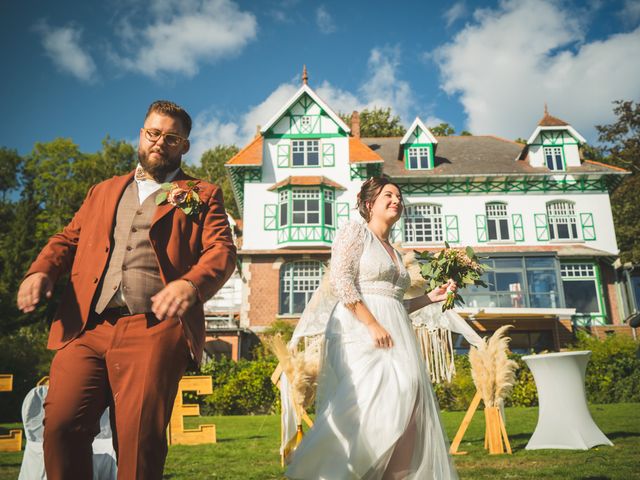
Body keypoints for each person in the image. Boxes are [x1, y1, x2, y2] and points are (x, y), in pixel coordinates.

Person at [16, 100, 237, 480]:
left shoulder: (202, 193)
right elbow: (67, 240)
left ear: (184, 146)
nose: (159, 142)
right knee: (61, 426)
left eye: (171, 138)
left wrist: (191, 283)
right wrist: (41, 272)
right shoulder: (102, 191)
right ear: (141, 135)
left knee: (138, 444)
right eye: (153, 133)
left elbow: (221, 250)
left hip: (154, 329)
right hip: (87, 326)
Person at [286, 177, 458, 479]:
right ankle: (329, 471)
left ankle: (394, 475)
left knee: (412, 403)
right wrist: (372, 323)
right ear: (369, 204)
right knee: (372, 402)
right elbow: (341, 281)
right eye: (388, 195)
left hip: (394, 328)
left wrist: (431, 297)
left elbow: (395, 303)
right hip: (358, 328)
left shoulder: (392, 250)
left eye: (399, 196)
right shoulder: (356, 232)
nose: (396, 200)